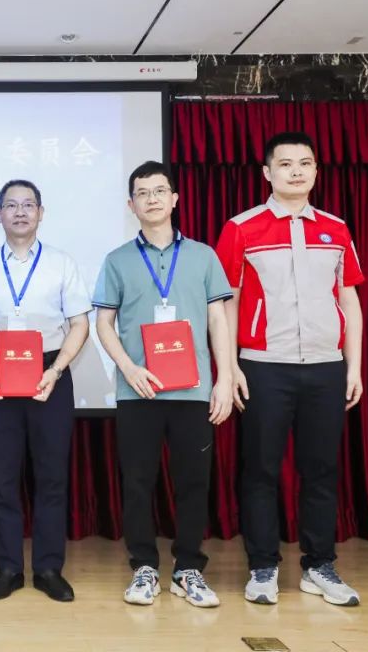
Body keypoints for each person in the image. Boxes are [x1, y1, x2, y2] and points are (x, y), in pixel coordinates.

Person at [215, 132, 364, 607]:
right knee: (260, 470)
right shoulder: (241, 227)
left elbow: (349, 299)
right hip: (264, 368)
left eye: (305, 163)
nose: (296, 171)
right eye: (285, 164)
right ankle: (263, 567)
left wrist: (353, 366)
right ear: (267, 173)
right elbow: (227, 303)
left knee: (321, 470)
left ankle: (319, 566)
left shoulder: (336, 228)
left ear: (316, 170)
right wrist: (230, 367)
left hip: (325, 368)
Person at [93, 161, 233, 608]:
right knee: (138, 482)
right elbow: (103, 323)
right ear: (130, 204)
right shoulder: (116, 260)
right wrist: (128, 368)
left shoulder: (203, 256)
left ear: (174, 199)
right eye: (142, 193)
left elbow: (218, 319)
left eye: (159, 191)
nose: (151, 199)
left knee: (194, 480)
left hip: (193, 391)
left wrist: (225, 377)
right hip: (139, 390)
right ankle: (144, 568)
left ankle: (188, 568)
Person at [0, 180, 90, 602]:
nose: (19, 212)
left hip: (50, 373)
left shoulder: (62, 263)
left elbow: (80, 324)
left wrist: (57, 369)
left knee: (52, 477)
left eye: (28, 205)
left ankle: (49, 568)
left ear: (40, 213)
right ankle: (8, 568)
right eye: (10, 205)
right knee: (2, 477)